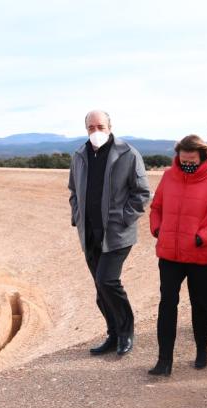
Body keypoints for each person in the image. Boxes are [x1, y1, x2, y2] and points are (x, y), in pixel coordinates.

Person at [68, 110, 151, 357]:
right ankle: (113, 334)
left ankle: (126, 332)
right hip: (90, 233)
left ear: (110, 126)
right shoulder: (80, 155)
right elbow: (73, 190)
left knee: (107, 281)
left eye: (100, 126)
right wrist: (77, 216)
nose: (96, 132)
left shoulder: (127, 154)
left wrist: (124, 219)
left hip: (117, 234)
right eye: (91, 127)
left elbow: (141, 193)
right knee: (99, 288)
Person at [147, 135, 207, 375]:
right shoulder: (169, 176)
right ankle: (164, 360)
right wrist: (157, 229)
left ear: (202, 158)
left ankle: (201, 350)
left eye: (192, 160)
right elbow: (156, 207)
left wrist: (202, 237)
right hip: (169, 255)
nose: (187, 163)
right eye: (183, 159)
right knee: (167, 304)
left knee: (200, 306)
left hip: (200, 256)